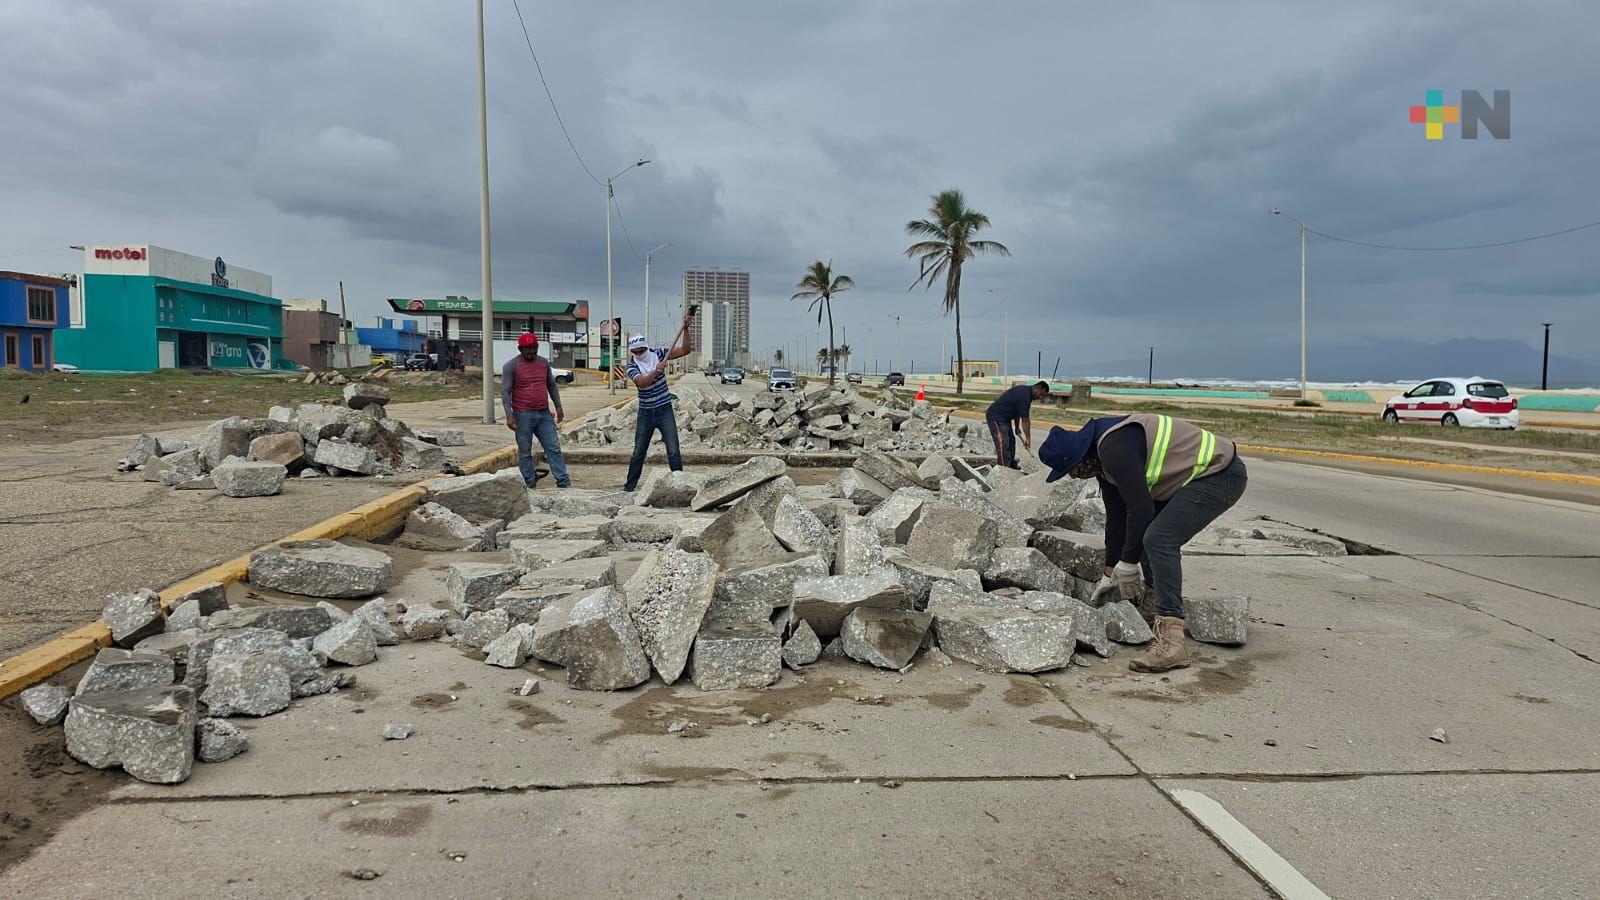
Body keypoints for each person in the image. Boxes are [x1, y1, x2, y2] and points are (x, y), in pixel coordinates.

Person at [1038, 412, 1248, 673]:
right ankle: (1154, 605)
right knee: (1147, 534)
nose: (1071, 476)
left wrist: (1128, 562)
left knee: (1159, 539)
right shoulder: (1102, 461)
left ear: (1080, 457)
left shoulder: (1114, 449)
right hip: (1191, 478)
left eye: (1070, 470)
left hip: (1220, 473)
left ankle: (1173, 641)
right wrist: (1110, 571)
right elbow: (1117, 517)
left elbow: (1141, 510)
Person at [622, 316, 694, 492]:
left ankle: (679, 486)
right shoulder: (632, 366)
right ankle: (629, 488)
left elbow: (685, 350)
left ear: (647, 347)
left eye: (642, 350)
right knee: (639, 451)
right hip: (645, 414)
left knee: (673, 450)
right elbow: (642, 383)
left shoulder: (660, 354)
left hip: (664, 411)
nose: (640, 354)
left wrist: (685, 329)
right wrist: (657, 370)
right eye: (636, 352)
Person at [500, 333, 570, 488]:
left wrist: (558, 407)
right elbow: (505, 391)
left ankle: (563, 482)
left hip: (544, 414)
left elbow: (551, 386)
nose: (531, 351)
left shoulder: (543, 363)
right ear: (520, 349)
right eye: (527, 348)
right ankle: (529, 481)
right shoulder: (511, 366)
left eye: (534, 348)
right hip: (522, 414)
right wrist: (509, 416)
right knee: (525, 451)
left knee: (554, 448)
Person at [985, 380, 1050, 468]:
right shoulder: (1025, 395)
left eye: (1043, 396)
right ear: (1037, 388)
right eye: (1041, 394)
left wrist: (1016, 426)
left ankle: (1011, 465)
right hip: (996, 417)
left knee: (1011, 442)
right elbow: (1025, 420)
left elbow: (1018, 411)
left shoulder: (1027, 395)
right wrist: (1028, 438)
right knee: (1003, 443)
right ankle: (1003, 469)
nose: (1041, 397)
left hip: (1005, 419)